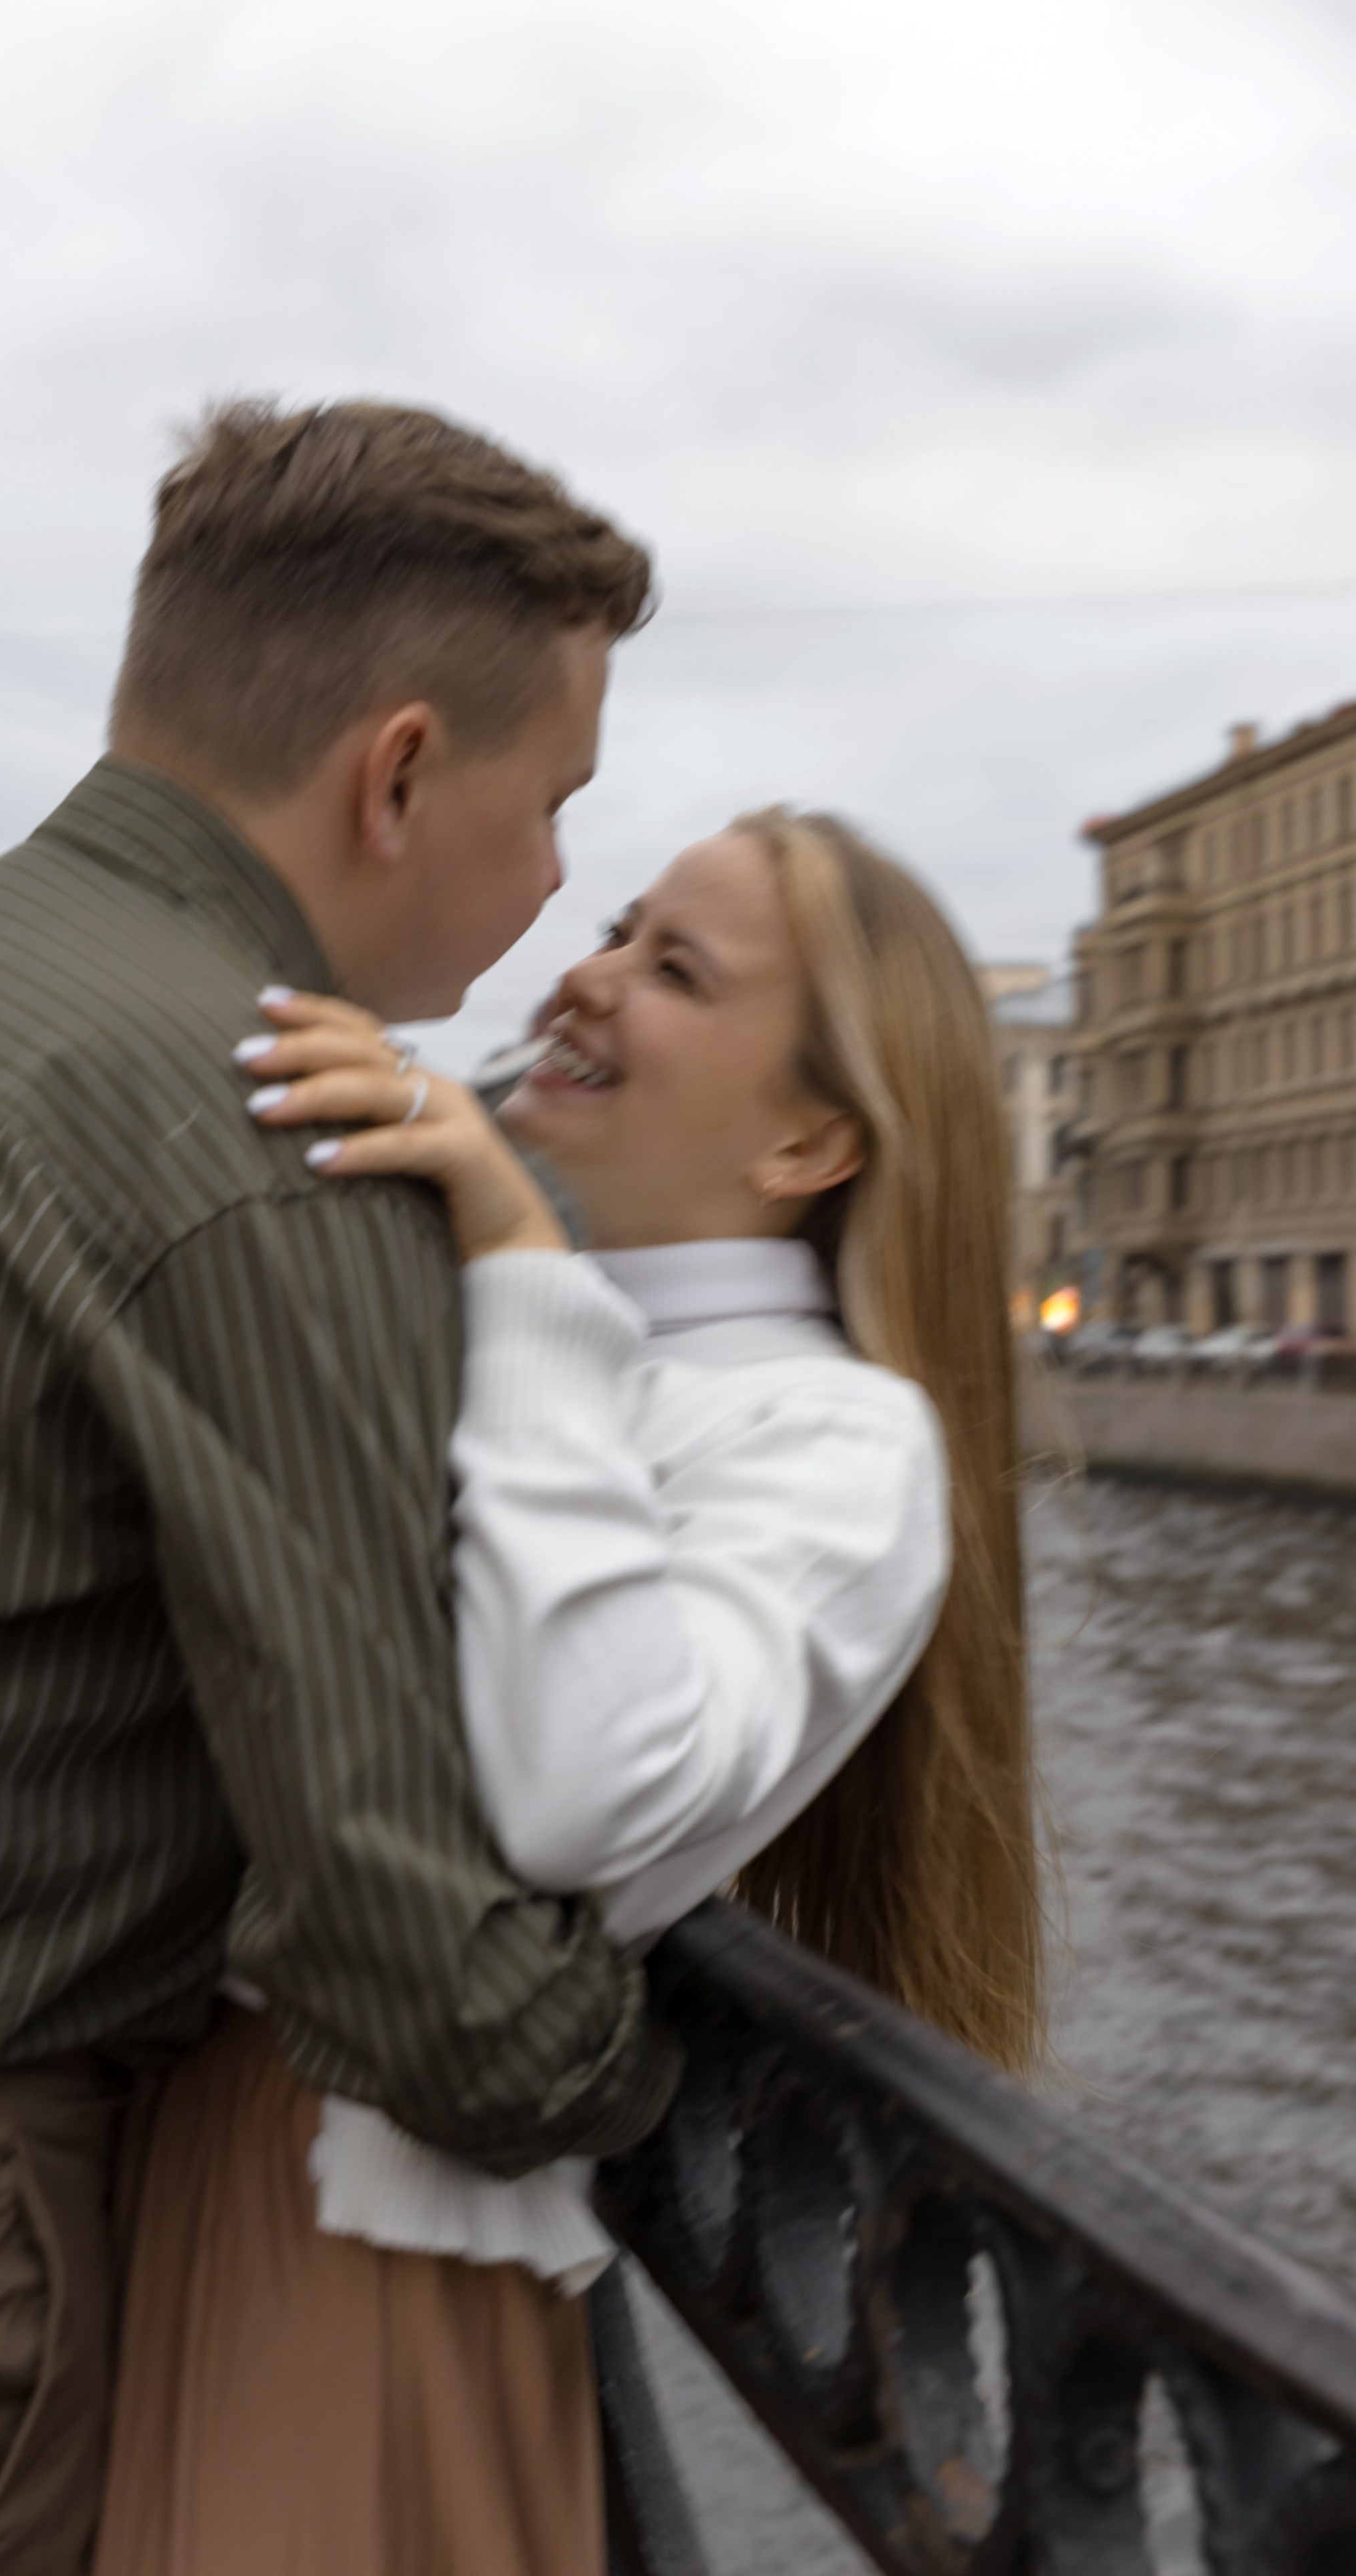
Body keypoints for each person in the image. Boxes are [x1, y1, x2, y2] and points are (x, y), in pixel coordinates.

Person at [0, 399, 681, 2575]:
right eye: (557, 804)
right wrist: (632, 2081)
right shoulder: (274, 1138)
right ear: (399, 774)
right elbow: (404, 1939)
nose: (557, 886)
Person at [94, 807, 1044, 2575]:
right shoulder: (497, 1312)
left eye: (676, 968)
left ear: (809, 1142)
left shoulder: (836, 1440)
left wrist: (522, 1273)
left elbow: (581, 1791)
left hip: (356, 2211)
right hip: (190, 2128)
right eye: (616, 927)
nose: (588, 979)